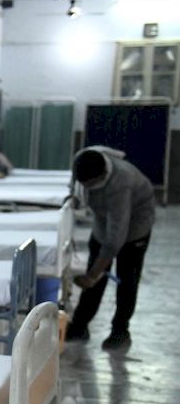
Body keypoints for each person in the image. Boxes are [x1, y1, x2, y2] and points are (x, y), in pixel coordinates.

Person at [65, 146, 155, 351]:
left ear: (102, 177)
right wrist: (74, 197)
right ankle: (79, 326)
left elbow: (115, 239)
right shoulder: (82, 158)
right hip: (103, 220)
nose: (85, 187)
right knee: (94, 279)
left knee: (126, 280)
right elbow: (74, 186)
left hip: (135, 228)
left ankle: (120, 331)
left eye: (89, 185)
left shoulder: (120, 184)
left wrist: (93, 275)